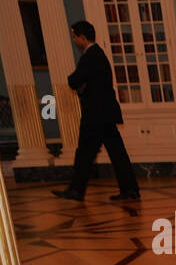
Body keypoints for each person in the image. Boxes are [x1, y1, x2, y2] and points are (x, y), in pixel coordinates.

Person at [53, 21, 140, 202]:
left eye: (75, 37)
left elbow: (74, 80)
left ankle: (76, 191)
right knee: (116, 153)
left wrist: (80, 84)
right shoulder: (98, 54)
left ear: (83, 38)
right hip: (105, 113)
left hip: (95, 115)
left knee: (85, 153)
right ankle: (130, 190)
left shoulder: (90, 56)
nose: (75, 40)